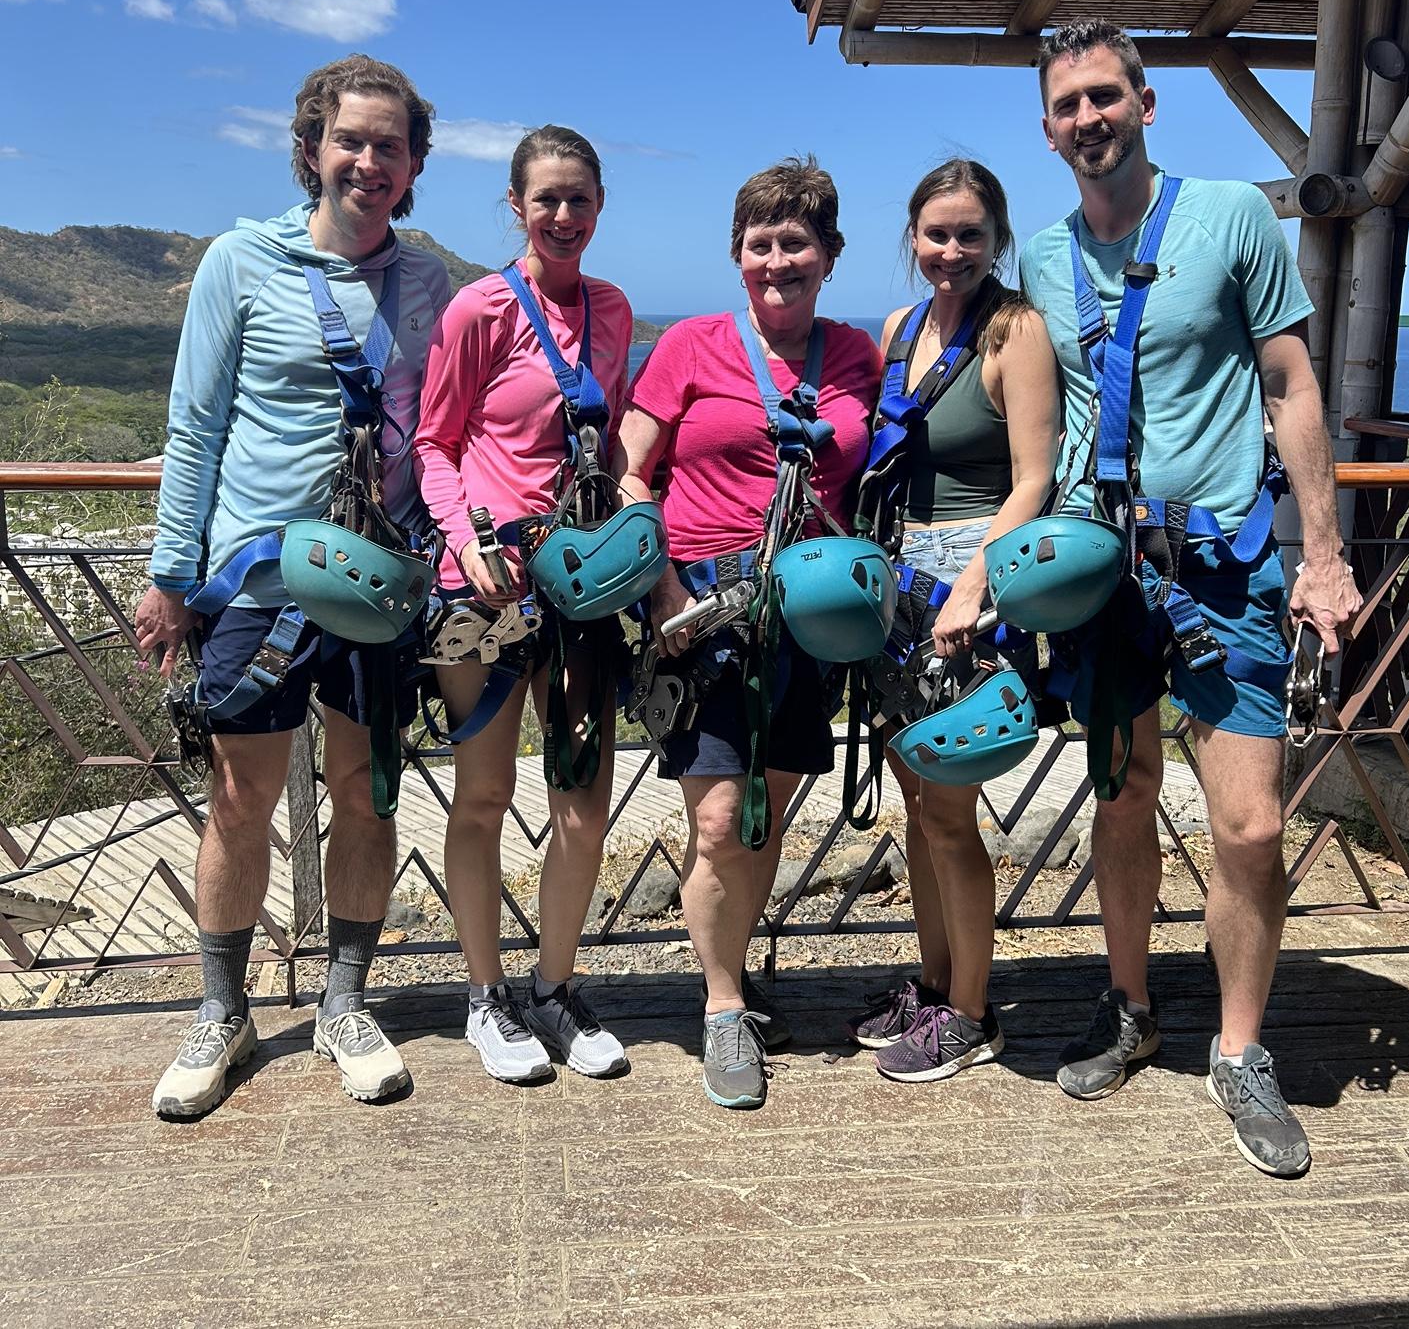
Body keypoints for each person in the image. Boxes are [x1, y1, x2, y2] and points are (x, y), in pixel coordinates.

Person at [1020, 20, 1360, 1176]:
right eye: (1069, 105)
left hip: (1220, 568)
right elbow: (1041, 422)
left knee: (1252, 823)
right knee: (1121, 799)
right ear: (1048, 124)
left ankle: (1242, 1049)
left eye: (1106, 97)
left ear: (1147, 103)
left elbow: (1292, 383)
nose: (1090, 120)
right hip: (1102, 574)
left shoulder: (1231, 219)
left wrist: (1322, 552)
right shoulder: (1040, 257)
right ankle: (1130, 1008)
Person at [136, 55, 451, 1117]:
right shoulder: (239, 262)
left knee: (367, 797)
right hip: (260, 576)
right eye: (351, 139)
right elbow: (196, 426)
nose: (369, 160)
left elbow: (443, 434)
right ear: (312, 145)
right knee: (239, 802)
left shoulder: (426, 283)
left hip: (373, 582)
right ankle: (221, 1011)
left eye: (390, 145)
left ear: (413, 165)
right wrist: (172, 576)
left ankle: (344, 1002)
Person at [614, 156, 881, 1109]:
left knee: (767, 809)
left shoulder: (857, 356)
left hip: (807, 616)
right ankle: (722, 1005)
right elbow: (632, 473)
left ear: (830, 254)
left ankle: (730, 969)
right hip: (705, 613)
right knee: (720, 820)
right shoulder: (690, 345)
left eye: (797, 242)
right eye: (761, 244)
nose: (779, 260)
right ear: (737, 257)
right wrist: (658, 593)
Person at [414, 126, 634, 1083]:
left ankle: (553, 988)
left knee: (583, 801)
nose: (562, 215)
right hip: (490, 585)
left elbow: (614, 438)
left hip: (582, 583)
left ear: (599, 204)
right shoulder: (480, 309)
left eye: (578, 197)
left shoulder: (614, 309)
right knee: (487, 795)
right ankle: (484, 996)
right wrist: (465, 539)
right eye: (546, 198)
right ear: (516, 205)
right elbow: (434, 442)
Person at [847, 160, 1059, 1082]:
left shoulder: (1015, 331)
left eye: (971, 234)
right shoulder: (900, 330)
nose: (952, 251)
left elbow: (1033, 478)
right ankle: (935, 986)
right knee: (917, 806)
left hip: (969, 586)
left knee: (952, 813)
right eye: (937, 234)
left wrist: (975, 585)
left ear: (997, 239)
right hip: (901, 581)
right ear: (912, 237)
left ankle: (973, 1012)